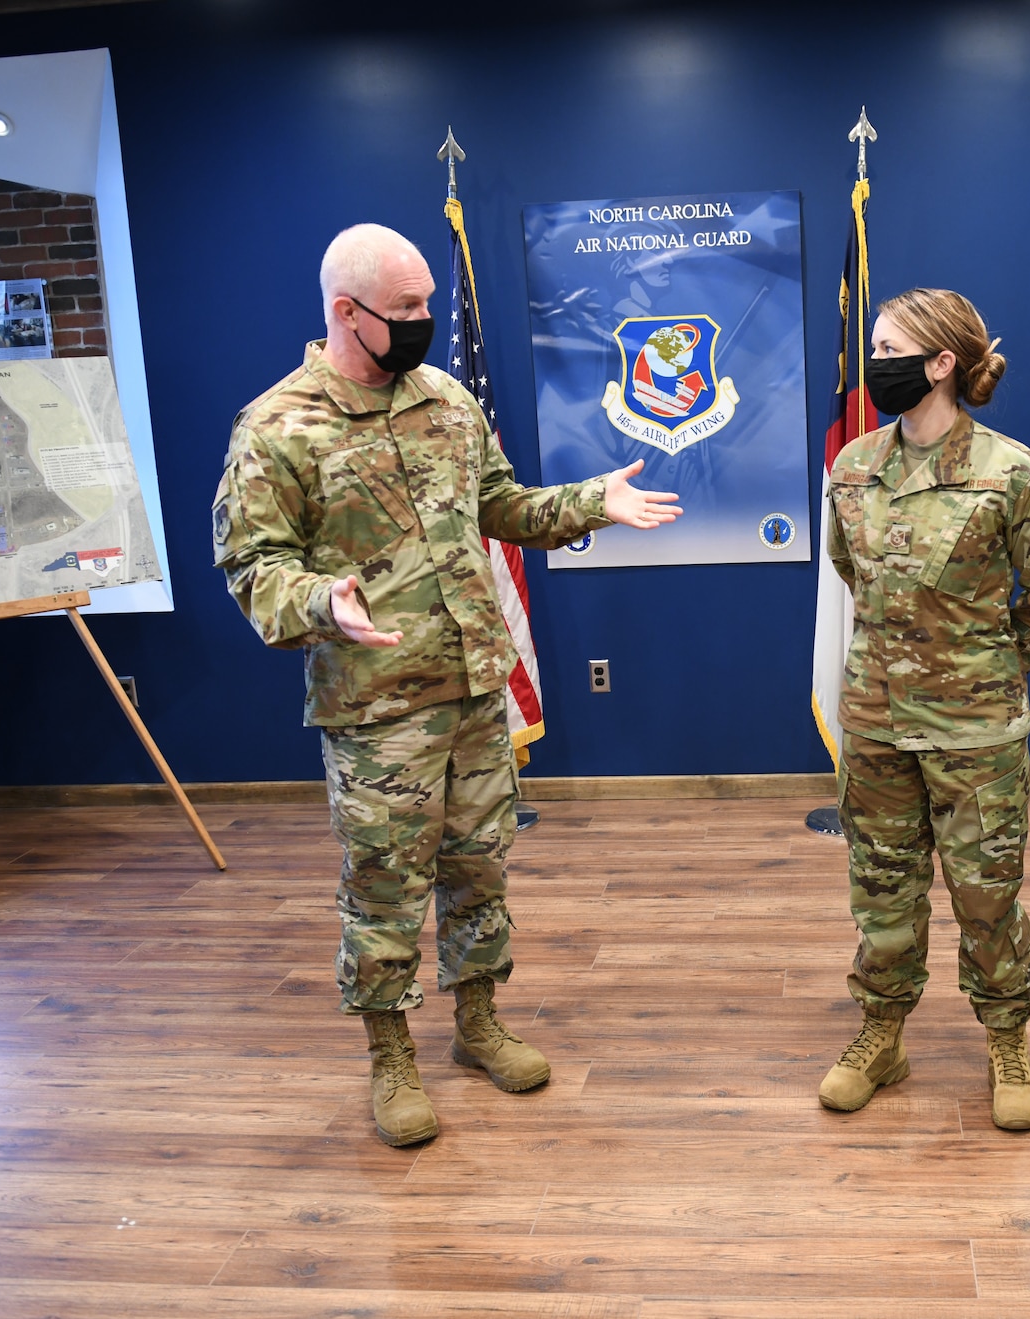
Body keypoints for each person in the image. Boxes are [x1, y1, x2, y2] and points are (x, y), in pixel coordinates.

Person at [213, 223, 681, 1148]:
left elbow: (499, 507)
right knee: (384, 885)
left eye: (431, 301)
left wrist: (592, 503)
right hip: (377, 706)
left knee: (478, 868)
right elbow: (250, 564)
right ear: (346, 313)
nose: (428, 320)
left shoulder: (449, 402)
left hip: (475, 692)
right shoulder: (277, 426)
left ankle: (477, 1024)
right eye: (410, 307)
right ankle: (391, 1056)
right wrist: (321, 600)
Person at [817, 287, 1030, 1131]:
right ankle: (882, 1034)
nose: (874, 361)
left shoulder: (1013, 474)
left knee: (985, 895)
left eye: (890, 346)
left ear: (940, 364)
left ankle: (1007, 1037)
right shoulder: (853, 467)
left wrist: (991, 668)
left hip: (975, 733)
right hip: (875, 721)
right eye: (873, 345)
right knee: (882, 888)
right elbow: (851, 573)